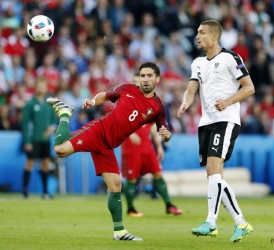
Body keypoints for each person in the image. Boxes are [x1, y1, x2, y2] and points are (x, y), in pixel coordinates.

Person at [46, 62, 172, 241]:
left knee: (115, 186)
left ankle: (119, 232)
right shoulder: (126, 88)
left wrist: (166, 135)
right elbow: (104, 95)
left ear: (157, 79)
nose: (145, 79)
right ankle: (65, 113)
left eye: (149, 76)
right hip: (99, 131)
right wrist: (92, 101)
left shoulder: (158, 107)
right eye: (142, 75)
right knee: (59, 149)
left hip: (108, 146)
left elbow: (165, 132)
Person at [177, 20, 255, 243]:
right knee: (215, 176)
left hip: (226, 120)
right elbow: (191, 89)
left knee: (213, 168)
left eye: (201, 33)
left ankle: (211, 222)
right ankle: (241, 223)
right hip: (206, 123)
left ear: (214, 37)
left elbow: (249, 87)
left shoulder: (232, 58)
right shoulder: (198, 63)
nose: (197, 36)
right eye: (197, 33)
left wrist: (228, 101)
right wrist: (186, 102)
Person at [121, 74, 182, 217]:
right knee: (132, 178)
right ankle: (130, 208)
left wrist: (159, 145)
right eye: (135, 82)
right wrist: (130, 133)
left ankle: (169, 205)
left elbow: (152, 126)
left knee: (158, 174)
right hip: (131, 147)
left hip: (147, 146)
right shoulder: (125, 101)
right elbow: (118, 121)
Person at [21, 76, 57, 199]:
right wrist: (27, 141)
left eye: (43, 85)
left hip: (45, 140)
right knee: (30, 163)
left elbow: (53, 121)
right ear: (35, 87)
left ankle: (45, 191)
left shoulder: (49, 104)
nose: (41, 87)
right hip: (34, 139)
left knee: (45, 163)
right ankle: (25, 191)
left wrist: (51, 129)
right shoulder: (30, 104)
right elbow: (25, 123)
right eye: (39, 85)